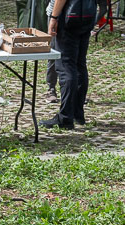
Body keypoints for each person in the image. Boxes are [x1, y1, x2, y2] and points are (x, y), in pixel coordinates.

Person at [44, 0, 100, 129]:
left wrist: (54, 17)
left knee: (66, 65)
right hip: (87, 15)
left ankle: (65, 117)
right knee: (79, 65)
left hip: (68, 16)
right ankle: (77, 114)